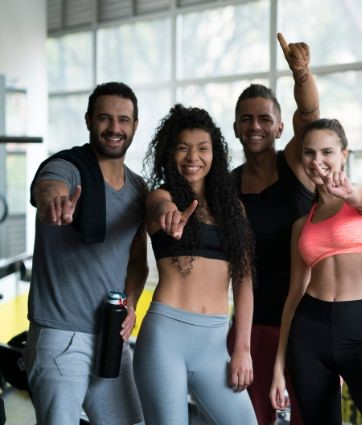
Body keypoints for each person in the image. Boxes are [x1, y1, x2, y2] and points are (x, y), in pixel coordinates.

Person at [25, 81, 148, 425]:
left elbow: (137, 261)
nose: (114, 128)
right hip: (62, 337)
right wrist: (55, 200)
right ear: (89, 121)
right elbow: (50, 184)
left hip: (111, 335)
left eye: (123, 120)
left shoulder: (138, 187)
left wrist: (132, 305)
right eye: (105, 118)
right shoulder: (68, 167)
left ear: (134, 125)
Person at [270, 118, 362, 425]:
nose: (317, 162)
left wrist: (349, 192)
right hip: (308, 333)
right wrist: (278, 365)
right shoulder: (302, 225)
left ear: (344, 154)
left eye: (327, 152)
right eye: (309, 153)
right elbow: (293, 296)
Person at [134, 104, 257, 425]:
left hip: (215, 345)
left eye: (203, 149)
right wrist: (169, 214)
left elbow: (243, 282)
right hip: (165, 339)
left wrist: (242, 349)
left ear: (215, 154)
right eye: (183, 148)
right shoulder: (160, 196)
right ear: (169, 153)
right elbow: (159, 207)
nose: (193, 157)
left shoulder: (233, 210)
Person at [228, 32, 319, 425]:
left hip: (306, 321)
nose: (256, 126)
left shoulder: (296, 163)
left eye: (265, 119)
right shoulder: (227, 187)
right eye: (246, 119)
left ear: (281, 127)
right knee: (254, 418)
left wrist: (302, 76)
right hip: (252, 326)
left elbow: (311, 115)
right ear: (235, 128)